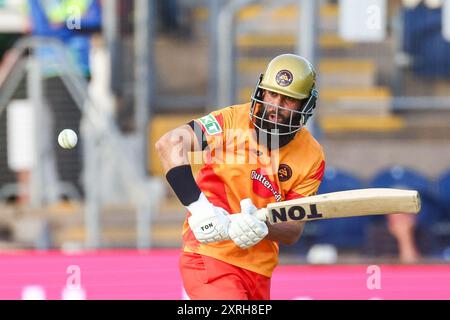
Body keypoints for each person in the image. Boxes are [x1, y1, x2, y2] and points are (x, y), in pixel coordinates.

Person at [156, 54, 325, 300]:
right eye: (271, 94)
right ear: (261, 91)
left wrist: (260, 224)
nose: (275, 106)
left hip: (259, 271)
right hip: (210, 255)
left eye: (289, 100)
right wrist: (201, 210)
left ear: (305, 105)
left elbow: (293, 229)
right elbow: (170, 144)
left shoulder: (313, 156)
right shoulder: (232, 121)